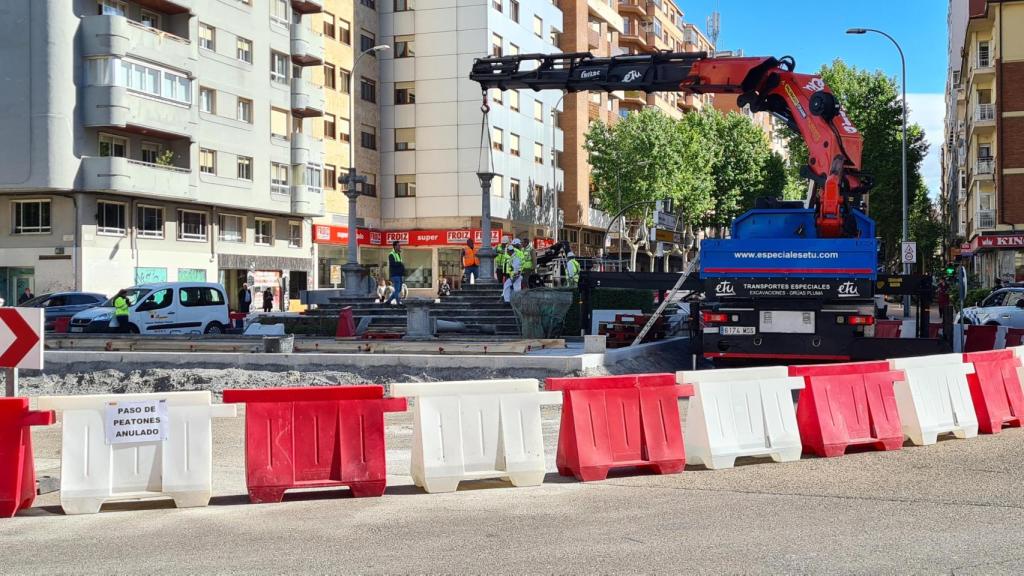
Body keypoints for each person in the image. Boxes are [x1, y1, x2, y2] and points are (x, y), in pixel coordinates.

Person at [502, 238, 525, 303]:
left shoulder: (515, 257)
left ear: (511, 251)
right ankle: (507, 300)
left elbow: (517, 268)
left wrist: (515, 277)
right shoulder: (513, 256)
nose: (507, 253)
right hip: (513, 276)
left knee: (516, 289)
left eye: (508, 251)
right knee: (507, 286)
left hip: (515, 276)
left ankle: (516, 301)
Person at [385, 240, 405, 305]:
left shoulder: (398, 254)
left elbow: (399, 264)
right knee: (397, 290)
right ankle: (398, 302)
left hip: (399, 275)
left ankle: (388, 301)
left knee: (398, 290)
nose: (400, 246)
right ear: (395, 246)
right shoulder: (391, 254)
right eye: (398, 245)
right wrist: (400, 263)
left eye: (400, 245)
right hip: (395, 275)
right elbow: (393, 264)